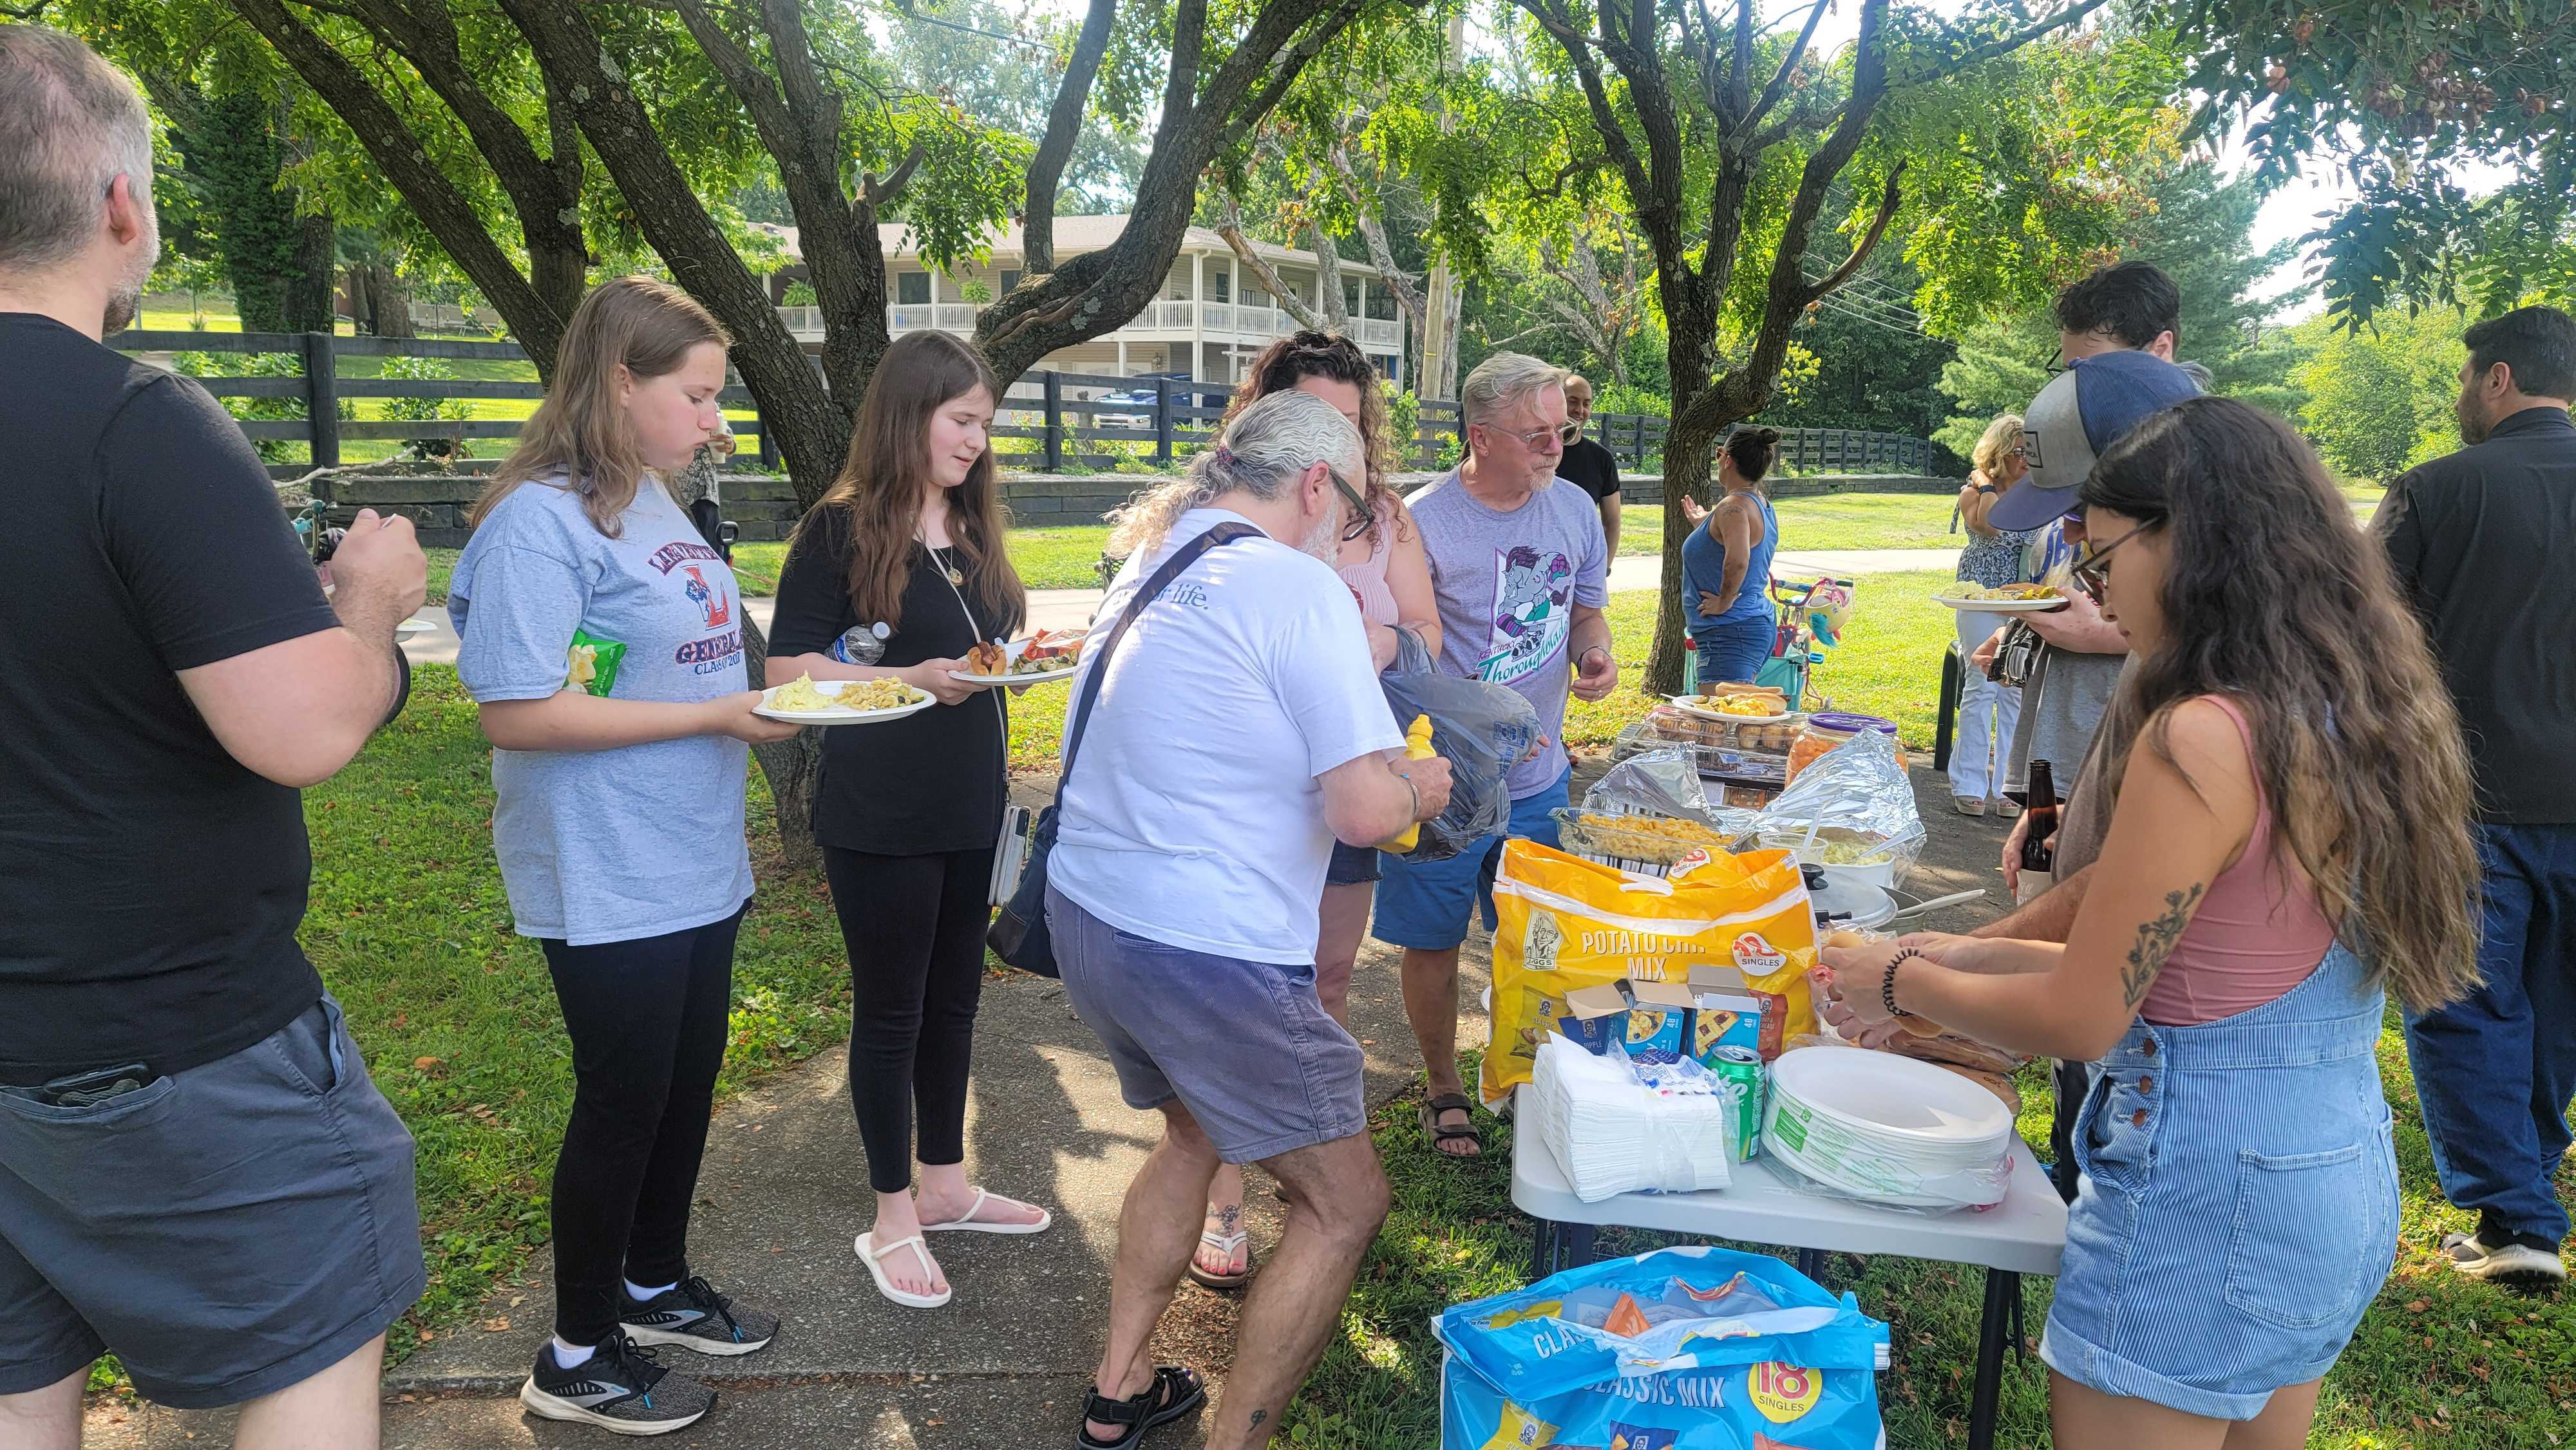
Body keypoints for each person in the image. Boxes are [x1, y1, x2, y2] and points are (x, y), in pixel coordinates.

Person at [1821, 397, 2483, 1449]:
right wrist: (1956, 946)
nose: (2097, 592)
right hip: (2331, 1176)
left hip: (2204, 1199)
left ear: (2188, 536)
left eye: (2098, 559)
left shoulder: (2200, 736)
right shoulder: (2345, 709)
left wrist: (1892, 985)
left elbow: (2085, 1013)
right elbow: (2145, 912)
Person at [0, 28, 430, 1450]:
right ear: (122, 208)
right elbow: (302, 726)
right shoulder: (137, 422)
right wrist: (367, 607)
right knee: (314, 1335)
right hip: (169, 1037)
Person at [1045, 390, 1453, 1450]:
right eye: (1357, 512)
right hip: (1202, 947)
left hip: (1093, 916)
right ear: (1318, 485)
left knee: (1190, 1133)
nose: (1354, 534)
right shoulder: (1292, 583)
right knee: (1346, 1202)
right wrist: (1421, 786)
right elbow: (1363, 807)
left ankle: (1118, 1390)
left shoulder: (1158, 555)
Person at [451, 276, 802, 1435]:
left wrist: (828, 690)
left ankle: (652, 1283)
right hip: (605, 866)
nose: (718, 420)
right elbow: (519, 708)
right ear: (619, 384)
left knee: (684, 1086)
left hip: (695, 853)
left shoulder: (653, 500)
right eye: (698, 395)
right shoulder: (537, 522)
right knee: (623, 1100)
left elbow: (690, 666)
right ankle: (576, 1352)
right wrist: (714, 718)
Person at [766, 330, 1054, 1310]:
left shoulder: (972, 526)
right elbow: (785, 669)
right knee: (892, 1014)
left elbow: (995, 645)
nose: (977, 441)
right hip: (880, 809)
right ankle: (891, 1216)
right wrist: (908, 680)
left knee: (956, 1003)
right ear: (909, 412)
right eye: (962, 420)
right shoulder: (839, 529)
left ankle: (944, 1186)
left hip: (970, 800)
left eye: (986, 424)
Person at [1186, 331, 1444, 1292]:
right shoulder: (1226, 520)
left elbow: (1427, 636)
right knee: (1232, 1004)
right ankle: (1221, 1199)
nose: (1336, 439)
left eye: (1350, 419)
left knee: (1325, 985)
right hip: (1247, 797)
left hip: (1353, 782)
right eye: (1315, 417)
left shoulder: (1385, 520)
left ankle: (1307, 1184)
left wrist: (1371, 636)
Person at [2378, 303, 2576, 1288]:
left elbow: (2358, 639)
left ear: (2498, 379)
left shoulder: (2437, 490)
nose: (2461, 397)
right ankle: (2525, 1203)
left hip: (2466, 797)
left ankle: (2520, 1218)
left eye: (2466, 379)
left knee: (2461, 1000)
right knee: (2557, 1009)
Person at [1378, 352, 1617, 1159]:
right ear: (1481, 436)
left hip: (1541, 781)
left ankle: (1521, 1071)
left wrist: (1597, 653)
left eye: (1564, 429)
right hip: (1444, 783)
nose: (1557, 447)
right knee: (1435, 936)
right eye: (1537, 434)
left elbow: (1586, 611)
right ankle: (1443, 1082)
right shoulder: (1423, 521)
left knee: (1540, 939)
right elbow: (1404, 659)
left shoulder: (1576, 509)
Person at [1984, 263, 2202, 816]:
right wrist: (2021, 634)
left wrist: (2107, 632)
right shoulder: (2089, 431)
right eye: (2070, 366)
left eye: (2094, 369)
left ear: (2160, 350)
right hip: (2073, 752)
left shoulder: (2188, 462)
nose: (2072, 529)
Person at [1947, 413, 2040, 816]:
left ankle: (2008, 785)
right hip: (1981, 600)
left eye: (2030, 450)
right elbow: (1992, 527)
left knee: (2015, 689)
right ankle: (1969, 782)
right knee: (1982, 686)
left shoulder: (2038, 492)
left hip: (2024, 600)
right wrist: (1985, 485)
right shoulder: (1973, 493)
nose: (2025, 458)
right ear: (1999, 452)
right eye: (2019, 450)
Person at [1676, 426, 1784, 685]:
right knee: (1732, 717)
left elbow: (1738, 560)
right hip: (1744, 626)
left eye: (1718, 453)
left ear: (1728, 460)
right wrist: (1704, 524)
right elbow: (1731, 539)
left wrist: (1724, 601)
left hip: (1730, 630)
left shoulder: (1732, 507)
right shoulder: (1760, 504)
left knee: (1722, 721)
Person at [1557, 372, 1624, 556]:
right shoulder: (1537, 451)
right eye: (1573, 401)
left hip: (1582, 562)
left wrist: (1605, 568)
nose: (1580, 410)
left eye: (1586, 403)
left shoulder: (1602, 459)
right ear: (1557, 401)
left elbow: (1612, 522)